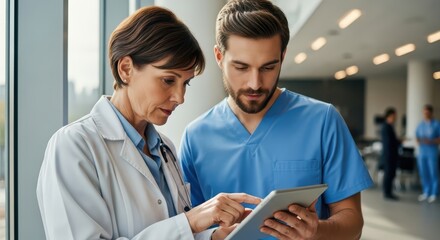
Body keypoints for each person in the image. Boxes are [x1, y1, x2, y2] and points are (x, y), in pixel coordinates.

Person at [36, 6, 261, 240]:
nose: (180, 97)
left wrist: (213, 237)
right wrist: (189, 222)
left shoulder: (165, 148)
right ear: (126, 69)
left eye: (186, 83)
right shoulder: (74, 146)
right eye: (168, 80)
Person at [179, 0, 374, 239]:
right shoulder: (196, 136)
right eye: (241, 67)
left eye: (268, 67)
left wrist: (317, 231)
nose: (255, 83)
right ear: (219, 57)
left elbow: (353, 221)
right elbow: (189, 228)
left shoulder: (323, 121)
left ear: (282, 57)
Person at [416, 104, 440, 203]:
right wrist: (420, 140)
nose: (425, 114)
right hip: (422, 152)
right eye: (424, 112)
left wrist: (431, 141)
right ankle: (426, 192)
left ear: (431, 112)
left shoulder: (436, 124)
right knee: (423, 172)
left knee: (433, 172)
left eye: (427, 112)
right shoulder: (420, 125)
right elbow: (417, 137)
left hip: (432, 152)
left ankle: (434, 193)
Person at [380, 107, 400, 200]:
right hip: (389, 155)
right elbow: (388, 143)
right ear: (390, 116)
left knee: (391, 174)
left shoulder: (389, 126)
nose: (395, 118)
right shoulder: (386, 127)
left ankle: (389, 192)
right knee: (388, 174)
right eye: (394, 116)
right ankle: (387, 193)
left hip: (391, 154)